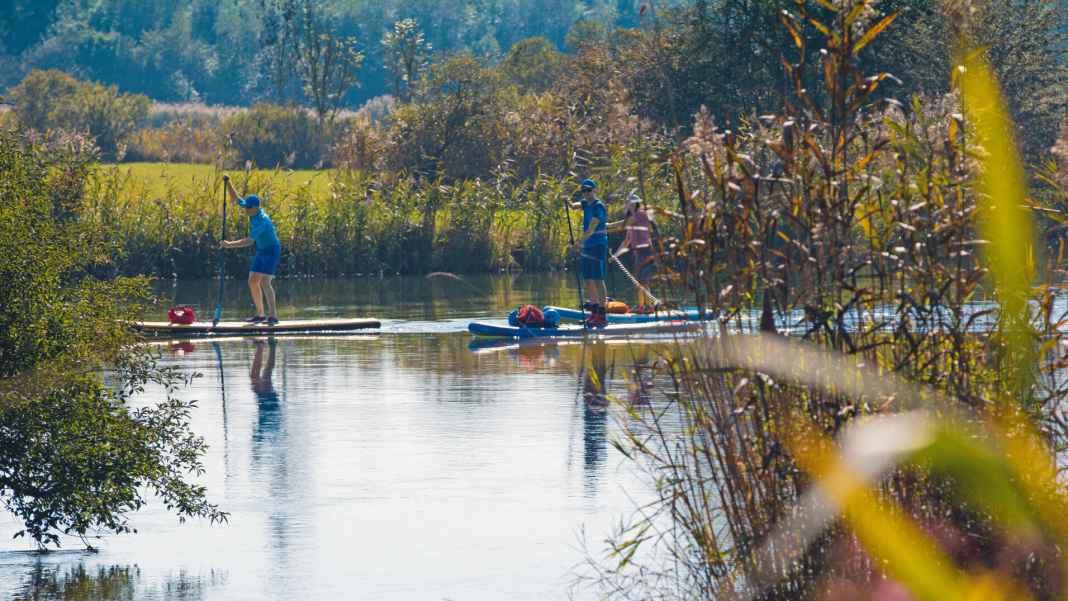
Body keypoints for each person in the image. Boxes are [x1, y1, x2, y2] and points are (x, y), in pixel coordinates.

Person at [220, 175, 281, 325]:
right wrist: (228, 183)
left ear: (255, 208)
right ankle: (260, 315)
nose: (245, 209)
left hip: (272, 250)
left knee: (265, 282)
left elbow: (248, 241)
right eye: (246, 206)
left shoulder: (263, 221)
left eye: (248, 207)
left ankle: (273, 316)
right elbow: (236, 199)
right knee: (253, 281)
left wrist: (229, 244)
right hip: (261, 250)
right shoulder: (251, 208)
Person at [569, 178, 610, 327]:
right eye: (583, 191)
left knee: (598, 279)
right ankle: (594, 312)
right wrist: (567, 202)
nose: (586, 193)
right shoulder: (585, 204)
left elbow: (591, 229)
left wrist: (578, 243)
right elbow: (575, 206)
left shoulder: (599, 207)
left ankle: (602, 313)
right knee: (588, 278)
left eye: (588, 190)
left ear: (594, 190)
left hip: (598, 244)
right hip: (587, 246)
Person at [615, 192, 656, 313]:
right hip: (638, 253)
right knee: (639, 282)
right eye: (629, 203)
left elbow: (621, 224)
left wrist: (606, 225)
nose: (629, 205)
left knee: (644, 281)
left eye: (632, 203)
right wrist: (615, 256)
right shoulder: (631, 222)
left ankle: (649, 307)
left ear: (636, 204)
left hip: (646, 251)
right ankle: (642, 307)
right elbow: (626, 241)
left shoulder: (640, 215)